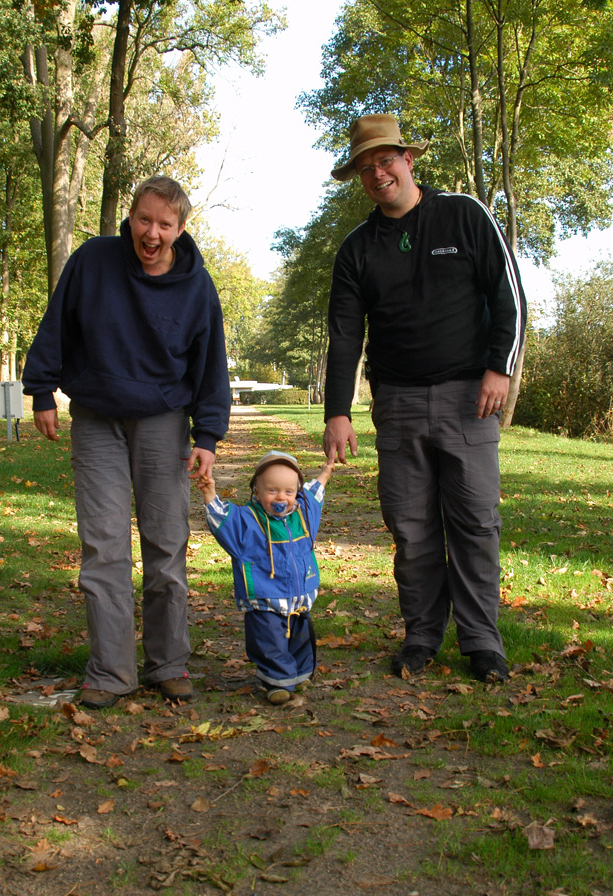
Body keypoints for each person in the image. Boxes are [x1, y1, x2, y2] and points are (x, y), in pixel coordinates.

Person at [323, 114, 526, 683]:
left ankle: (483, 642)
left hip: (471, 398)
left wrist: (498, 368)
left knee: (475, 521)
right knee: (410, 528)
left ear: (409, 160)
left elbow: (507, 292)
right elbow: (344, 335)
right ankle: (421, 636)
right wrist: (337, 411)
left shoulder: (463, 214)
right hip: (398, 403)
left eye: (385, 160)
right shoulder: (356, 249)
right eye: (365, 166)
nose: (377, 172)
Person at [22, 176, 230, 709]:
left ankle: (168, 662)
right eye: (144, 220)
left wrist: (206, 434)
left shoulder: (197, 287)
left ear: (181, 230)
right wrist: (41, 389)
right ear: (130, 219)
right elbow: (56, 325)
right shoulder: (94, 261)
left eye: (164, 224)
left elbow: (211, 368)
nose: (152, 233)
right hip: (96, 419)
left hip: (163, 421)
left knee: (166, 543)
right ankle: (110, 671)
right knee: (104, 545)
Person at [195, 451, 334, 704]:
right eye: (272, 490)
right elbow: (223, 520)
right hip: (265, 599)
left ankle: (300, 674)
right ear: (256, 492)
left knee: (301, 638)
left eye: (289, 492)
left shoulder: (304, 515)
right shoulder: (247, 521)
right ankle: (276, 682)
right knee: (269, 643)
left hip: (299, 598)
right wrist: (209, 493)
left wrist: (325, 472)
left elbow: (314, 494)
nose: (281, 497)